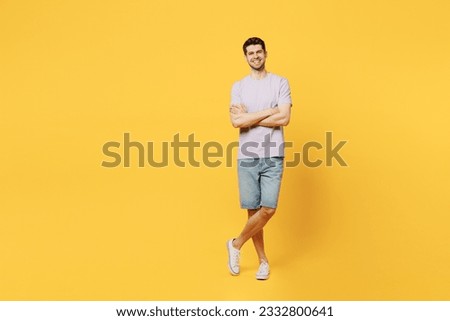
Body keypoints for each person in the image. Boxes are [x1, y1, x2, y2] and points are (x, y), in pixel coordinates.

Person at [227, 37, 292, 280]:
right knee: (253, 212)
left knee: (268, 209)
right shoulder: (239, 87)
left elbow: (284, 118)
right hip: (247, 156)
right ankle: (263, 261)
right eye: (250, 53)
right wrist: (270, 110)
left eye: (258, 51)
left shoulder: (280, 83)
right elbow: (236, 122)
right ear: (245, 57)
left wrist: (250, 117)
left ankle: (235, 244)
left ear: (266, 53)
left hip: (273, 153)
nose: (255, 56)